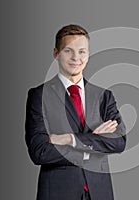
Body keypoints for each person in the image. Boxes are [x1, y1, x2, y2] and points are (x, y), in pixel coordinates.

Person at [25, 24, 126, 200]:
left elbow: (118, 142)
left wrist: (69, 139)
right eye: (68, 51)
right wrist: (92, 144)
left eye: (82, 52)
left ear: (88, 54)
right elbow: (39, 151)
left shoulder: (104, 96)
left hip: (100, 192)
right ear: (56, 53)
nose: (75, 58)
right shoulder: (39, 95)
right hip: (58, 192)